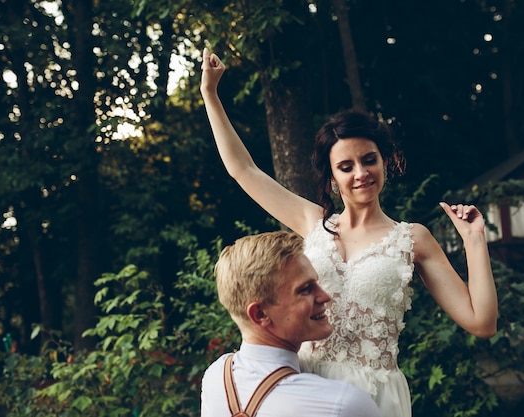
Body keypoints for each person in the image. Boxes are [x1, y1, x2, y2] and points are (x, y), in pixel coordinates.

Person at [200, 47, 498, 417]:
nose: (361, 173)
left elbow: (481, 323)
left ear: (385, 162)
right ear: (333, 177)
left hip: (374, 396)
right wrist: (210, 95)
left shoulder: (412, 239)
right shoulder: (313, 223)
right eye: (346, 165)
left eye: (369, 159)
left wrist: (474, 241)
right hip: (302, 385)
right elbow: (243, 170)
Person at [200, 231, 383, 417]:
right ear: (260, 314)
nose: (325, 296)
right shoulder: (342, 404)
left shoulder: (215, 376)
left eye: (316, 284)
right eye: (305, 289)